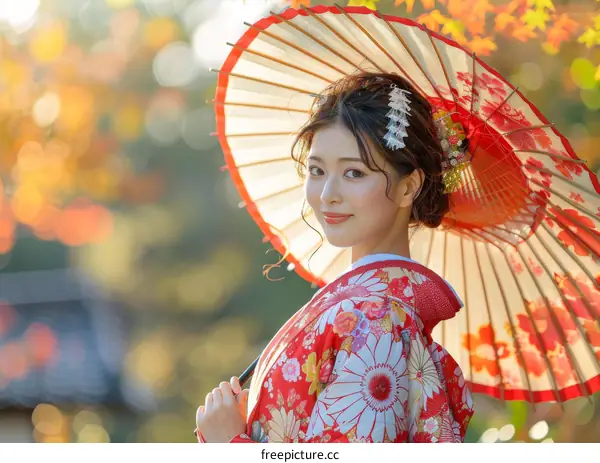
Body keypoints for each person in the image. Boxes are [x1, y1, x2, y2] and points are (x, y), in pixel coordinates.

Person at [195, 72, 474, 443]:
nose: (327, 194)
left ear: (409, 186)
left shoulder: (376, 318)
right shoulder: (364, 309)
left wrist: (230, 444)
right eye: (317, 170)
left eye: (354, 172)